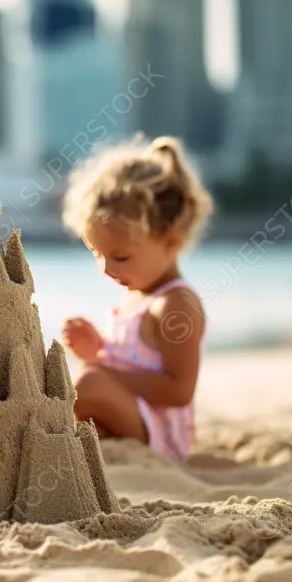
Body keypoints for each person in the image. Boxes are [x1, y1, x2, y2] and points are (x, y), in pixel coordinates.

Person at [59, 135, 214, 463]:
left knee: (86, 387)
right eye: (96, 254)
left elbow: (178, 389)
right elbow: (132, 361)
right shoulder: (135, 297)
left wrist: (102, 372)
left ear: (171, 240)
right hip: (132, 418)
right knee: (71, 381)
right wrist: (96, 351)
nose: (105, 269)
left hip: (160, 436)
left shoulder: (176, 304)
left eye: (121, 257)